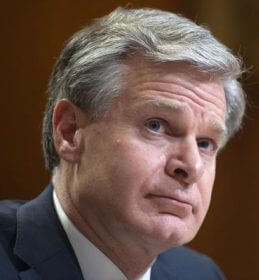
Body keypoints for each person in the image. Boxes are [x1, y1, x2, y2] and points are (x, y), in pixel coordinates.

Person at [0, 6, 245, 280]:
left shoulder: (200, 275)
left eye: (205, 143)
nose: (191, 166)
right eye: (156, 126)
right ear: (70, 131)